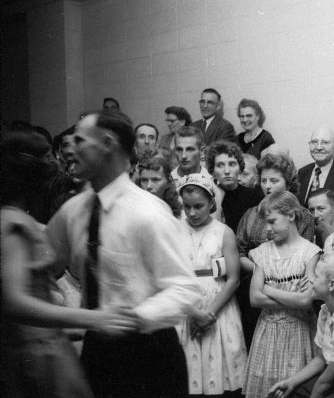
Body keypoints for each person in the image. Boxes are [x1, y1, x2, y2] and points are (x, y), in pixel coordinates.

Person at [46, 110, 203, 398]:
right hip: (97, 352)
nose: (70, 149)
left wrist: (131, 319)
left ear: (106, 144)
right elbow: (45, 263)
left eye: (80, 141)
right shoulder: (73, 211)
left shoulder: (148, 212)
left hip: (148, 357)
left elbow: (185, 288)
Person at [1, 129, 138, 398]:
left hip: (41, 345)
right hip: (34, 353)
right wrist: (93, 318)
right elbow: (15, 301)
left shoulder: (19, 219)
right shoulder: (13, 225)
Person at [243, 191, 321, 398]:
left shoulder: (310, 252)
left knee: (294, 389)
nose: (267, 228)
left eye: (272, 221)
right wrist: (291, 296)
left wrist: (267, 288)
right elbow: (254, 299)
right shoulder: (262, 252)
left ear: (291, 216)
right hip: (267, 334)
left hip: (300, 332)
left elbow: (305, 301)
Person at [176, 173, 247, 397]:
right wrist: (192, 312)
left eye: (199, 206)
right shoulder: (175, 229)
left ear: (211, 203)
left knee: (218, 371)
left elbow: (233, 279)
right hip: (185, 305)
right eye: (187, 207)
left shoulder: (223, 232)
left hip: (219, 307)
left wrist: (210, 313)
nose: (192, 213)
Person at [236, 153, 316, 349]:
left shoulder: (302, 216)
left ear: (288, 183)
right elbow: (240, 252)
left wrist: (267, 283)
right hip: (253, 288)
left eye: (274, 180)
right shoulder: (250, 214)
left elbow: (301, 258)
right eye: (263, 180)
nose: (267, 186)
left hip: (290, 291)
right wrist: (258, 269)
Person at [268, 257, 334, 398]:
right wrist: (291, 382)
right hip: (327, 375)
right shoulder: (325, 311)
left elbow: (326, 382)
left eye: (316, 277)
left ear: (331, 285)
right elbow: (320, 358)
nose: (311, 280)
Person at [206, 140, 263, 232]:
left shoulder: (255, 196)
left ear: (240, 168)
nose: (227, 171)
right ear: (212, 171)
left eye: (232, 164)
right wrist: (218, 197)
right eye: (220, 165)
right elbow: (212, 235)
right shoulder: (206, 196)